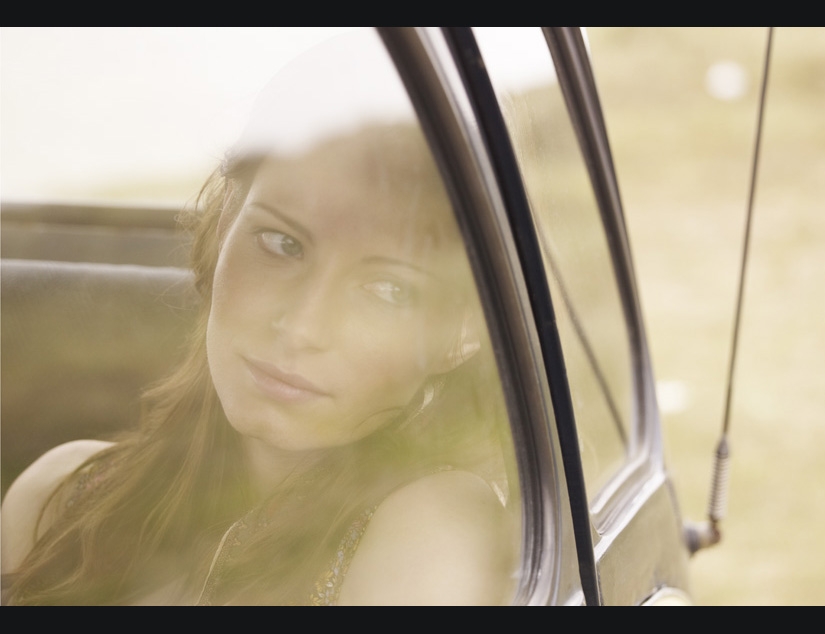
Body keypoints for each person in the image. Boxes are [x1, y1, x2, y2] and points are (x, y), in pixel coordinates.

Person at [1, 33, 517, 605]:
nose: (302, 327)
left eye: (389, 288)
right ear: (223, 225)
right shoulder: (56, 497)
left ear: (463, 330)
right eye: (282, 242)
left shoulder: (434, 528)